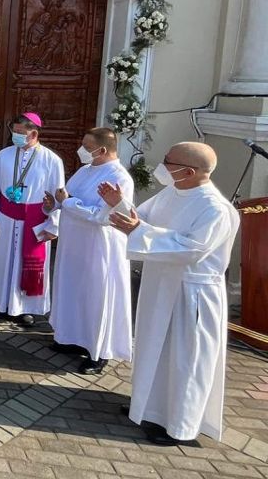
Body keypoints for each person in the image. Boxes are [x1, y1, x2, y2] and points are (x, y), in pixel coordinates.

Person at [101, 142, 239, 446]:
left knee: (185, 360)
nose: (162, 165)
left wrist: (138, 230)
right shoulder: (174, 191)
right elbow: (142, 222)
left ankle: (180, 426)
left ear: (189, 171)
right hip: (160, 283)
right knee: (153, 349)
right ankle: (148, 408)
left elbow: (192, 249)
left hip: (192, 293)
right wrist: (119, 204)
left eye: (168, 161)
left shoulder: (215, 208)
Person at [44, 127, 133, 374]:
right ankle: (71, 337)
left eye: (86, 145)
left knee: (96, 296)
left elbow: (104, 216)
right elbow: (67, 199)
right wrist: (54, 205)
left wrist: (68, 202)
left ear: (102, 149)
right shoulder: (85, 170)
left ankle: (98, 352)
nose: (81, 149)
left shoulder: (119, 177)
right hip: (73, 245)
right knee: (73, 290)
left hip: (99, 247)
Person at [0, 113, 64, 327]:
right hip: (6, 217)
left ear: (34, 133)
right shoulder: (3, 155)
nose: (15, 136)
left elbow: (58, 197)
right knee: (3, 259)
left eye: (21, 133)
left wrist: (53, 225)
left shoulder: (52, 160)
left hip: (35, 221)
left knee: (28, 264)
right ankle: (0, 300)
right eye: (14, 132)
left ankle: (26, 307)